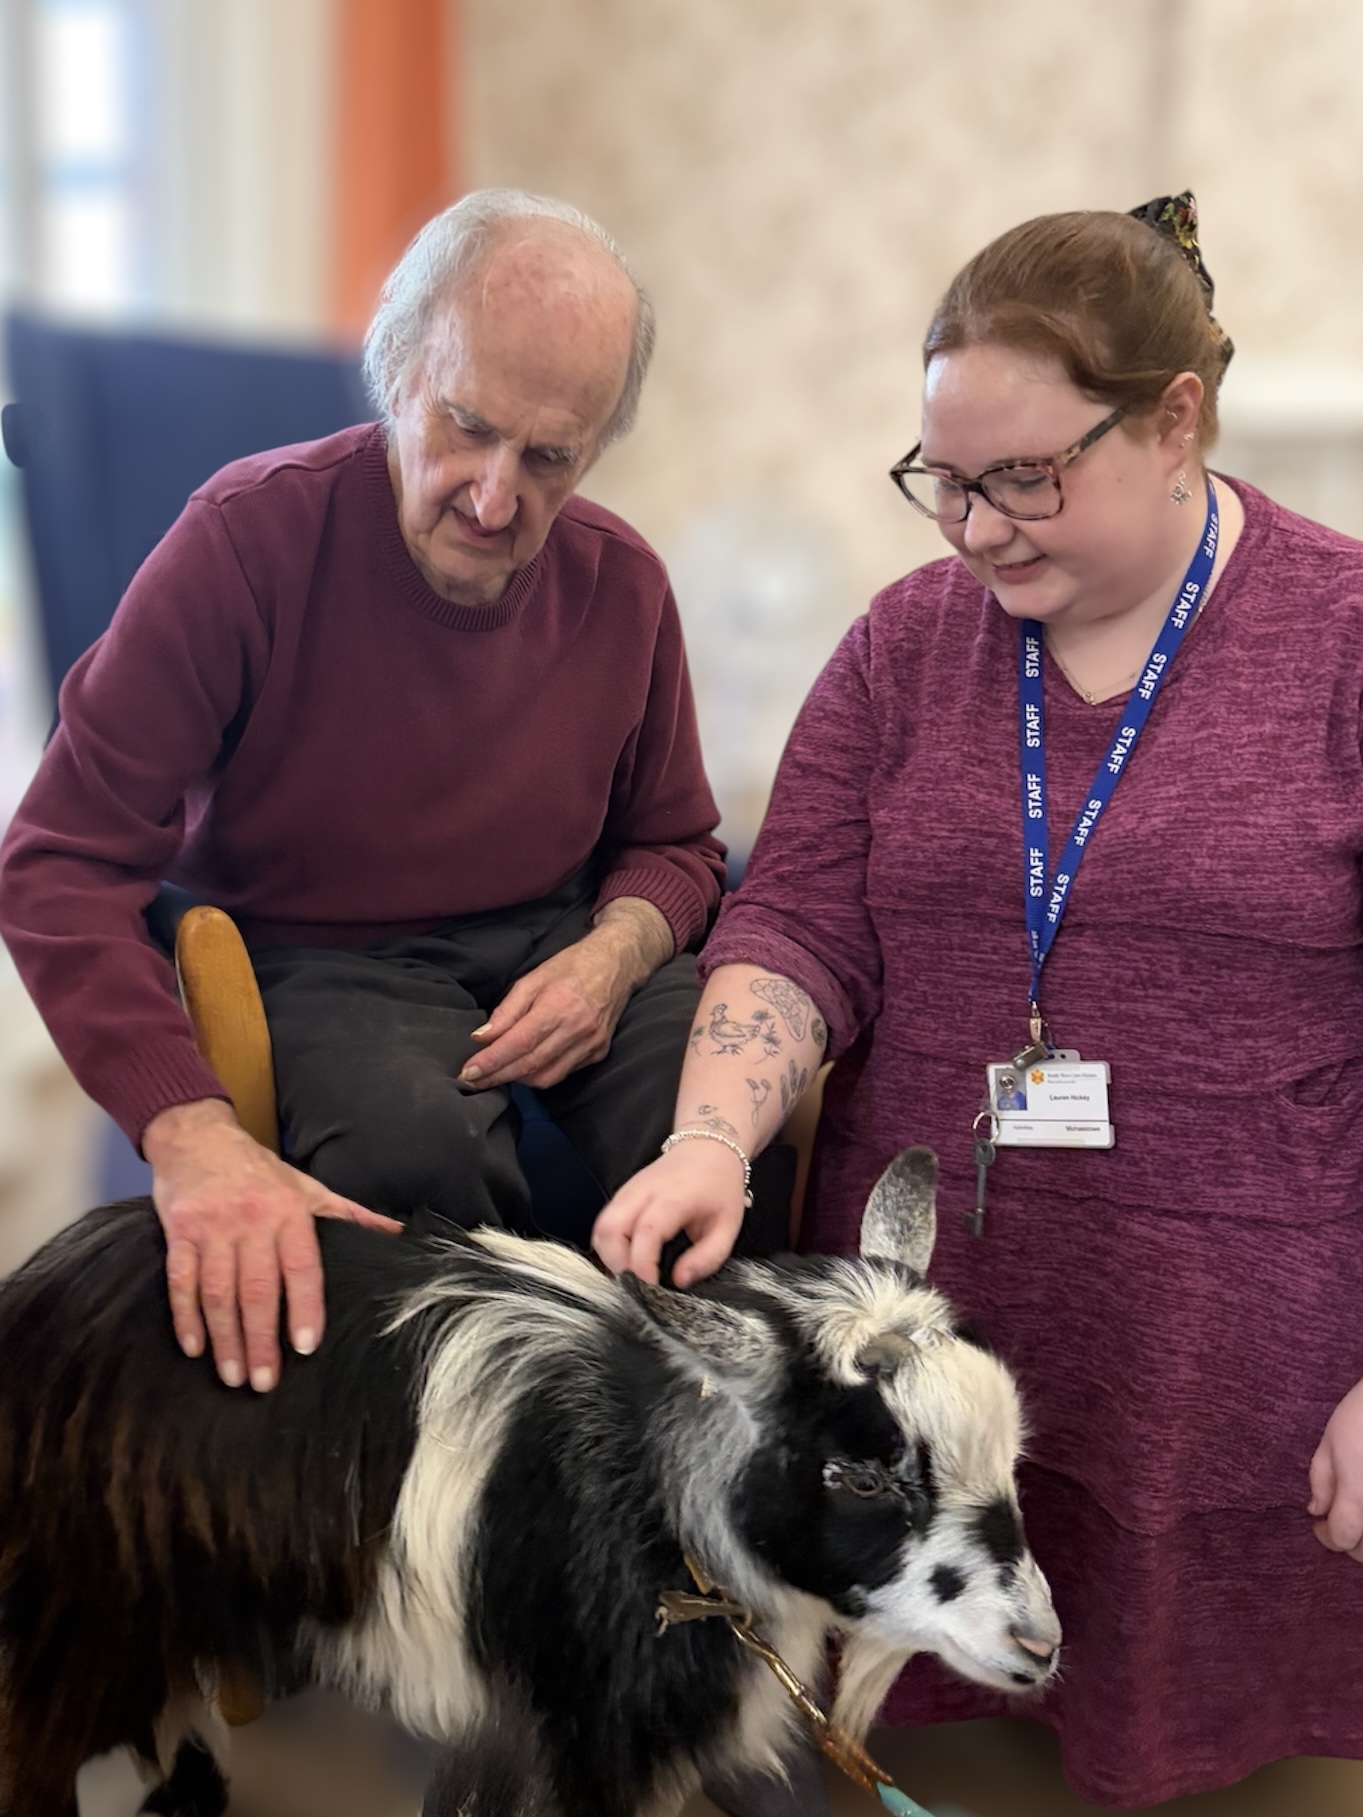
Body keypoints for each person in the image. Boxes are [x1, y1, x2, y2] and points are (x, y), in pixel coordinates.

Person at [594, 193, 1363, 1807]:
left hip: (1229, 1366)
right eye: (943, 479)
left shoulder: (1341, 640)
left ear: (1173, 421)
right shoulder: (901, 649)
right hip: (926, 1336)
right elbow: (795, 917)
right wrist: (713, 1141)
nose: (975, 528)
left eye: (1024, 477)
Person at [0, 188, 725, 1401]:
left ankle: (701, 1489)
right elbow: (59, 860)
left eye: (549, 457)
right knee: (413, 1161)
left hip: (561, 938)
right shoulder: (243, 541)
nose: (495, 500)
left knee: (713, 1127)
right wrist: (189, 1132)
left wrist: (614, 952)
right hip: (324, 957)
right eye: (466, 427)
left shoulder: (623, 583)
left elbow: (678, 843)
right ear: (394, 369)